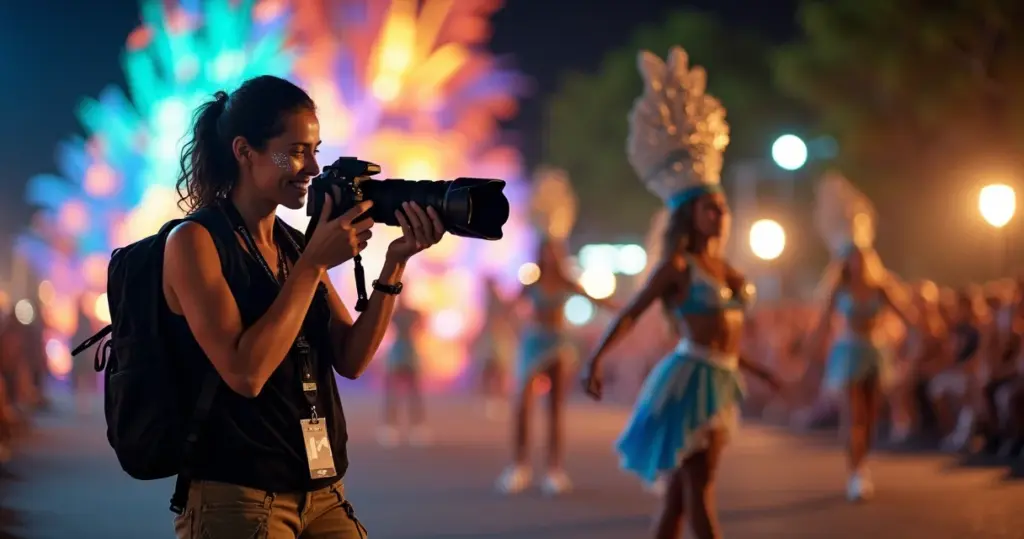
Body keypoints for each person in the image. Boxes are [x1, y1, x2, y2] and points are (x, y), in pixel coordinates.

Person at [164, 75, 444, 538]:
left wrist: (394, 265)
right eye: (294, 151)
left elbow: (351, 358)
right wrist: (313, 264)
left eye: (316, 149)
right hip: (237, 497)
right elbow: (245, 373)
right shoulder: (195, 242)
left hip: (322, 493)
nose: (313, 167)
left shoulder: (293, 245)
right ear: (243, 150)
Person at [581, 47, 779, 539]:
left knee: (675, 504)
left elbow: (728, 333)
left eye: (722, 205)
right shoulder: (677, 266)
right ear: (689, 213)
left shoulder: (727, 267)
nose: (720, 212)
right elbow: (631, 312)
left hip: (722, 379)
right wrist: (596, 359)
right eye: (709, 206)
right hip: (689, 382)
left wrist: (758, 369)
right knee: (699, 488)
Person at [495, 167, 614, 496]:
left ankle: (554, 470)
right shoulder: (530, 282)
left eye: (554, 248)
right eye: (545, 248)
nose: (550, 253)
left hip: (559, 344)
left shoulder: (566, 280)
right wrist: (512, 325)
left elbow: (597, 298)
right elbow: (508, 310)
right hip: (534, 343)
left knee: (556, 410)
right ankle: (518, 466)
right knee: (523, 405)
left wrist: (624, 309)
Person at [810, 173, 915, 502]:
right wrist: (812, 350)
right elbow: (824, 323)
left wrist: (918, 335)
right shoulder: (837, 287)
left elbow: (907, 317)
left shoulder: (880, 286)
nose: (855, 261)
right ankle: (854, 472)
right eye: (850, 256)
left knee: (870, 416)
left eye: (860, 255)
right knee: (853, 414)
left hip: (875, 351)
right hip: (848, 352)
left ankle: (863, 464)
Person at [376, 300, 430, 447]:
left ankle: (413, 426)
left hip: (404, 350)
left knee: (411, 391)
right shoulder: (401, 312)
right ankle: (396, 426)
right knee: (399, 391)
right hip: (402, 350)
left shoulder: (400, 312)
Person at [472, 276, 517, 419]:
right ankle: (492, 401)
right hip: (495, 338)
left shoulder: (494, 301)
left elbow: (499, 316)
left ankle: (495, 400)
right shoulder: (492, 300)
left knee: (495, 371)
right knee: (492, 371)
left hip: (496, 339)